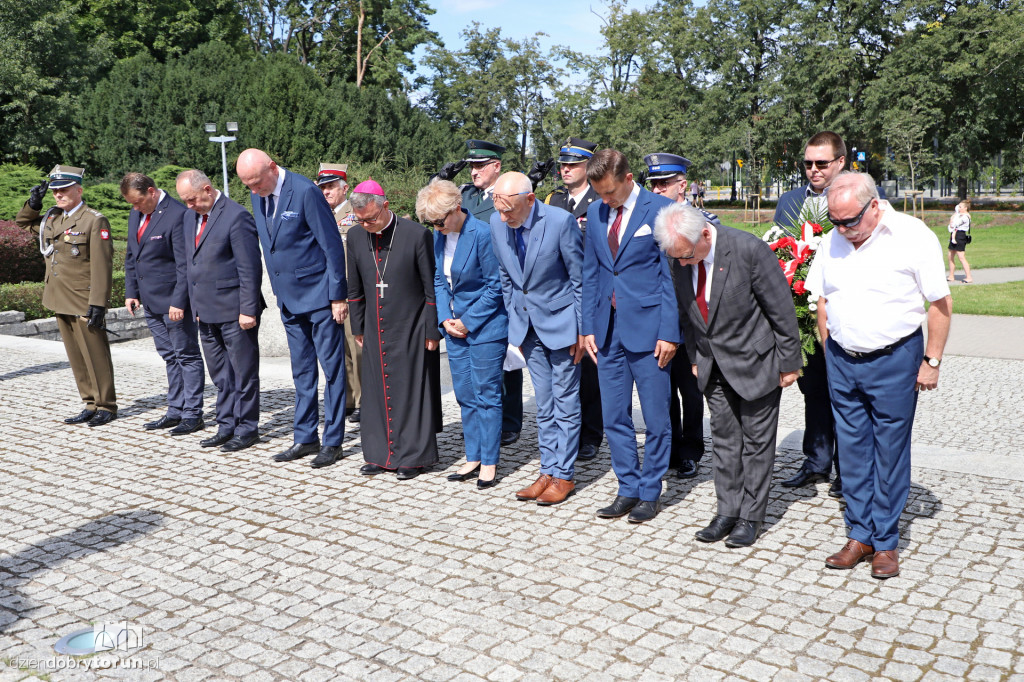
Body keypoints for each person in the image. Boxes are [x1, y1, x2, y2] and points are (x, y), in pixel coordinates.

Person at [810, 172, 952, 579]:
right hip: (843, 360)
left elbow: (940, 304)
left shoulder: (912, 235)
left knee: (889, 451)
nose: (842, 230)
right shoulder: (832, 240)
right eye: (835, 221)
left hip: (895, 359)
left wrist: (932, 361)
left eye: (849, 221)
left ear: (874, 205)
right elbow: (823, 298)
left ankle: (886, 542)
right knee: (852, 451)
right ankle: (860, 535)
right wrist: (830, 349)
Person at [654, 202, 802, 547]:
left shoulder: (749, 250)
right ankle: (727, 511)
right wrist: (695, 357)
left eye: (687, 256)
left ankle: (751, 517)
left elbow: (781, 310)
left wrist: (789, 363)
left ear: (706, 235)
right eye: (677, 258)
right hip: (711, 365)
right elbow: (687, 313)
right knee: (724, 442)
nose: (683, 264)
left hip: (756, 362)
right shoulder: (679, 255)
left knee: (756, 444)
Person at [581, 149, 679, 524]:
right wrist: (588, 327)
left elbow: (671, 277)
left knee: (656, 419)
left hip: (650, 331)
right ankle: (627, 487)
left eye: (610, 192)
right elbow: (592, 272)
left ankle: (650, 492)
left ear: (628, 178)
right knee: (614, 417)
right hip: (607, 331)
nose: (605, 200)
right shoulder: (595, 212)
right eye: (599, 193)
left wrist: (669, 332)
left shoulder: (660, 209)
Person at [237, 149, 349, 469]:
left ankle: (333, 441)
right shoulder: (258, 195)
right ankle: (305, 436)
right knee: (301, 372)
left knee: (332, 371)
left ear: (272, 168)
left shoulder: (305, 191)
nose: (253, 189)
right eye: (248, 185)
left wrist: (337, 296)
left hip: (320, 298)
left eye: (257, 181)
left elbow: (331, 245)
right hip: (288, 299)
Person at [489, 172, 584, 505]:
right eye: (499, 210)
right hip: (527, 328)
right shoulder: (497, 222)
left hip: (563, 327)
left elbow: (579, 279)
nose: (504, 218)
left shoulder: (560, 222)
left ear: (530, 199)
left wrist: (581, 330)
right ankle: (547, 470)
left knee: (565, 402)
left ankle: (564, 476)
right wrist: (514, 316)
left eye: (509, 210)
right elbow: (506, 276)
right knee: (544, 405)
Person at [347, 180, 441, 480]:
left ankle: (413, 457)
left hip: (411, 327)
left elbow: (431, 288)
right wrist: (358, 326)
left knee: (411, 391)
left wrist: (432, 330)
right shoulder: (355, 236)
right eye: (360, 221)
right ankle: (379, 454)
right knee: (376, 390)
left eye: (370, 219)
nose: (366, 226)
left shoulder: (416, 235)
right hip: (374, 327)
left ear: (385, 206)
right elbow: (354, 287)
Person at [419, 179, 508, 489]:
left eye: (439, 221)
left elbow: (496, 286)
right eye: (431, 223)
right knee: (465, 395)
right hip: (454, 328)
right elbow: (439, 280)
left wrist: (467, 321)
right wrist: (445, 318)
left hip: (485, 327)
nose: (436, 227)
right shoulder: (439, 235)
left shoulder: (483, 234)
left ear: (456, 208)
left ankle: (490, 462)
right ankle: (473, 456)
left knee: (487, 395)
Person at [774, 131, 847, 498]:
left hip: (841, 312)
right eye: (808, 163)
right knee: (812, 389)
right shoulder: (789, 201)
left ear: (841, 162)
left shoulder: (858, 196)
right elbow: (777, 250)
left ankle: (847, 471)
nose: (814, 169)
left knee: (844, 395)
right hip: (800, 315)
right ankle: (816, 462)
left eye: (822, 163)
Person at [16, 165, 118, 427]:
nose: (58, 195)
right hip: (59, 296)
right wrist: (33, 204)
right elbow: (24, 223)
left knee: (96, 354)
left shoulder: (94, 220)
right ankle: (90, 402)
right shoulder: (52, 219)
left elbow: (102, 265)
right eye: (55, 191)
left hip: (84, 299)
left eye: (64, 190)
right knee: (76, 356)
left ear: (79, 190)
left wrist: (99, 303)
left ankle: (106, 405)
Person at [176, 169, 265, 452]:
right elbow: (190, 264)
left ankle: (247, 429)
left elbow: (250, 268)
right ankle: (226, 425)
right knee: (221, 375)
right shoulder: (190, 216)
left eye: (192, 199)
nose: (189, 205)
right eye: (185, 200)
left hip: (235, 310)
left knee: (243, 373)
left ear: (207, 189)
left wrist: (248, 310)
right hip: (204, 310)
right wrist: (193, 304)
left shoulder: (236, 216)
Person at [121, 172, 204, 435]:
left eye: (138, 202)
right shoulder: (137, 213)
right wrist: (131, 291)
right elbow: (132, 256)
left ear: (151, 191)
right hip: (150, 301)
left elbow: (184, 264)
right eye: (132, 204)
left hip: (174, 303)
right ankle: (175, 410)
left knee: (186, 355)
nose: (135, 208)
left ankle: (193, 414)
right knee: (169, 356)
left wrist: (179, 301)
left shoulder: (178, 214)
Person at [644, 153, 706, 478]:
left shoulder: (702, 223)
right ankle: (668, 449)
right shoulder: (649, 225)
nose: (656, 190)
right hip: (658, 324)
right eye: (653, 184)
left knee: (691, 393)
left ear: (682, 185)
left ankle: (691, 451)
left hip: (690, 325)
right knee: (664, 393)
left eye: (663, 184)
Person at [544, 137, 602, 461]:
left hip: (589, 293)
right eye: (563, 164)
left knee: (589, 370)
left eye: (573, 164)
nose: (565, 169)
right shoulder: (553, 200)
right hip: (556, 296)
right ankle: (564, 432)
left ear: (588, 167)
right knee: (562, 368)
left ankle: (590, 435)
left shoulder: (598, 202)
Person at [318, 163, 363, 423]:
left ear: (345, 189)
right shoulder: (319, 214)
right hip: (325, 294)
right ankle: (346, 399)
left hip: (349, 293)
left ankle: (363, 401)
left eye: (331, 187)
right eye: (323, 187)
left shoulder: (354, 215)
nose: (326, 192)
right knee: (337, 350)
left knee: (356, 349)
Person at [947, 201, 973, 283]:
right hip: (954, 234)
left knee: (961, 257)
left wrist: (953, 218)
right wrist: (955, 215)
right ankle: (951, 276)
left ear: (965, 208)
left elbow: (955, 224)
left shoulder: (965, 217)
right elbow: (952, 225)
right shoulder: (958, 215)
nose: (959, 208)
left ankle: (969, 277)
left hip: (960, 235)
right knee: (950, 256)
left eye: (960, 207)